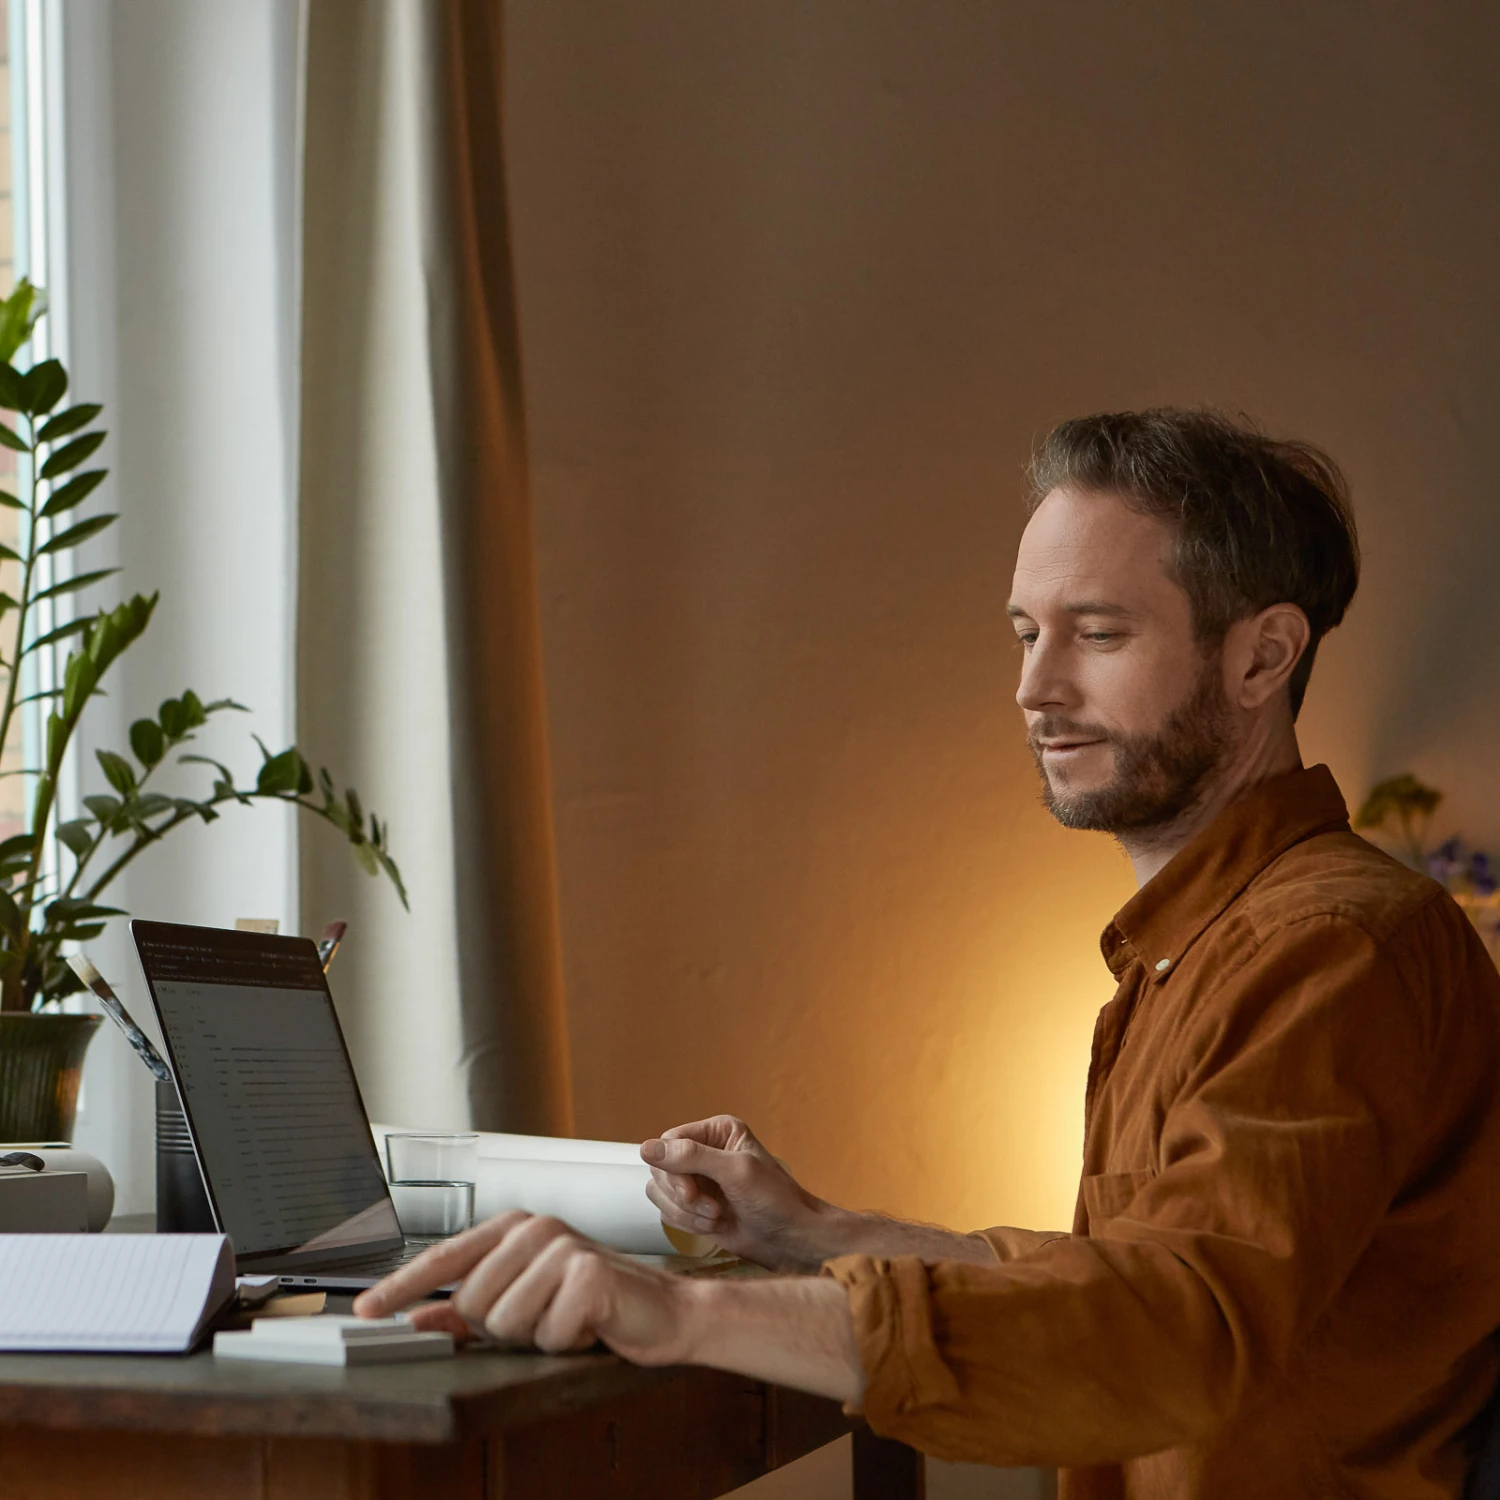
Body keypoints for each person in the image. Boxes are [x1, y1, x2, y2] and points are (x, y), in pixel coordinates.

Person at [357, 408, 1500, 1499]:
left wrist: (679, 1312)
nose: (1035, 689)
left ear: (1262, 657)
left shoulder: (1330, 946)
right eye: (1026, 634)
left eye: (1098, 633)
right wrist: (817, 1232)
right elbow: (1117, 1280)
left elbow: (1179, 1322)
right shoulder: (1203, 947)